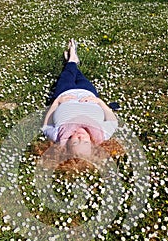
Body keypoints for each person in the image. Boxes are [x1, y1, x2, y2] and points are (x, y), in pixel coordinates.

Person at [40, 39, 124, 169]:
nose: (80, 137)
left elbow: (46, 125)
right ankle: (72, 61)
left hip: (64, 93)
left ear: (67, 144)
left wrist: (56, 102)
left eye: (75, 142)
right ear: (92, 143)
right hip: (88, 93)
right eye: (85, 141)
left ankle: (72, 60)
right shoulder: (102, 134)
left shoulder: (59, 136)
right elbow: (112, 120)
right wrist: (99, 102)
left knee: (67, 75)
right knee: (81, 77)